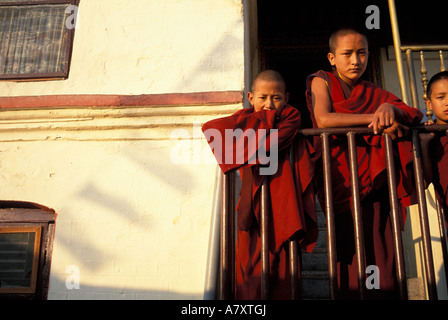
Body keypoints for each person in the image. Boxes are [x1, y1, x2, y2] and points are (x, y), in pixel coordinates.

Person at [305, 28, 423, 299]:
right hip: (341, 180)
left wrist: (390, 110)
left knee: (381, 245)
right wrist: (377, 116)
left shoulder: (373, 91)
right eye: (347, 54)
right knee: (348, 251)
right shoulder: (321, 80)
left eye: (362, 53)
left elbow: (411, 113)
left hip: (376, 181)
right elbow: (324, 119)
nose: (355, 60)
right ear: (332, 58)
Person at [202, 70, 317, 299]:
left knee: (284, 274)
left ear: (286, 99)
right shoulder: (243, 117)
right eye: (262, 98)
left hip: (283, 207)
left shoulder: (291, 116)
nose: (268, 104)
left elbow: (268, 144)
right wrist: (253, 130)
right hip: (251, 207)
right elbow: (212, 129)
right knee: (249, 276)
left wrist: (246, 139)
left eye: (276, 98)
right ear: (250, 97)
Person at [420, 71, 448, 227]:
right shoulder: (429, 134)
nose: (447, 102)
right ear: (429, 103)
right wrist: (424, 145)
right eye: (440, 97)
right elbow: (425, 182)